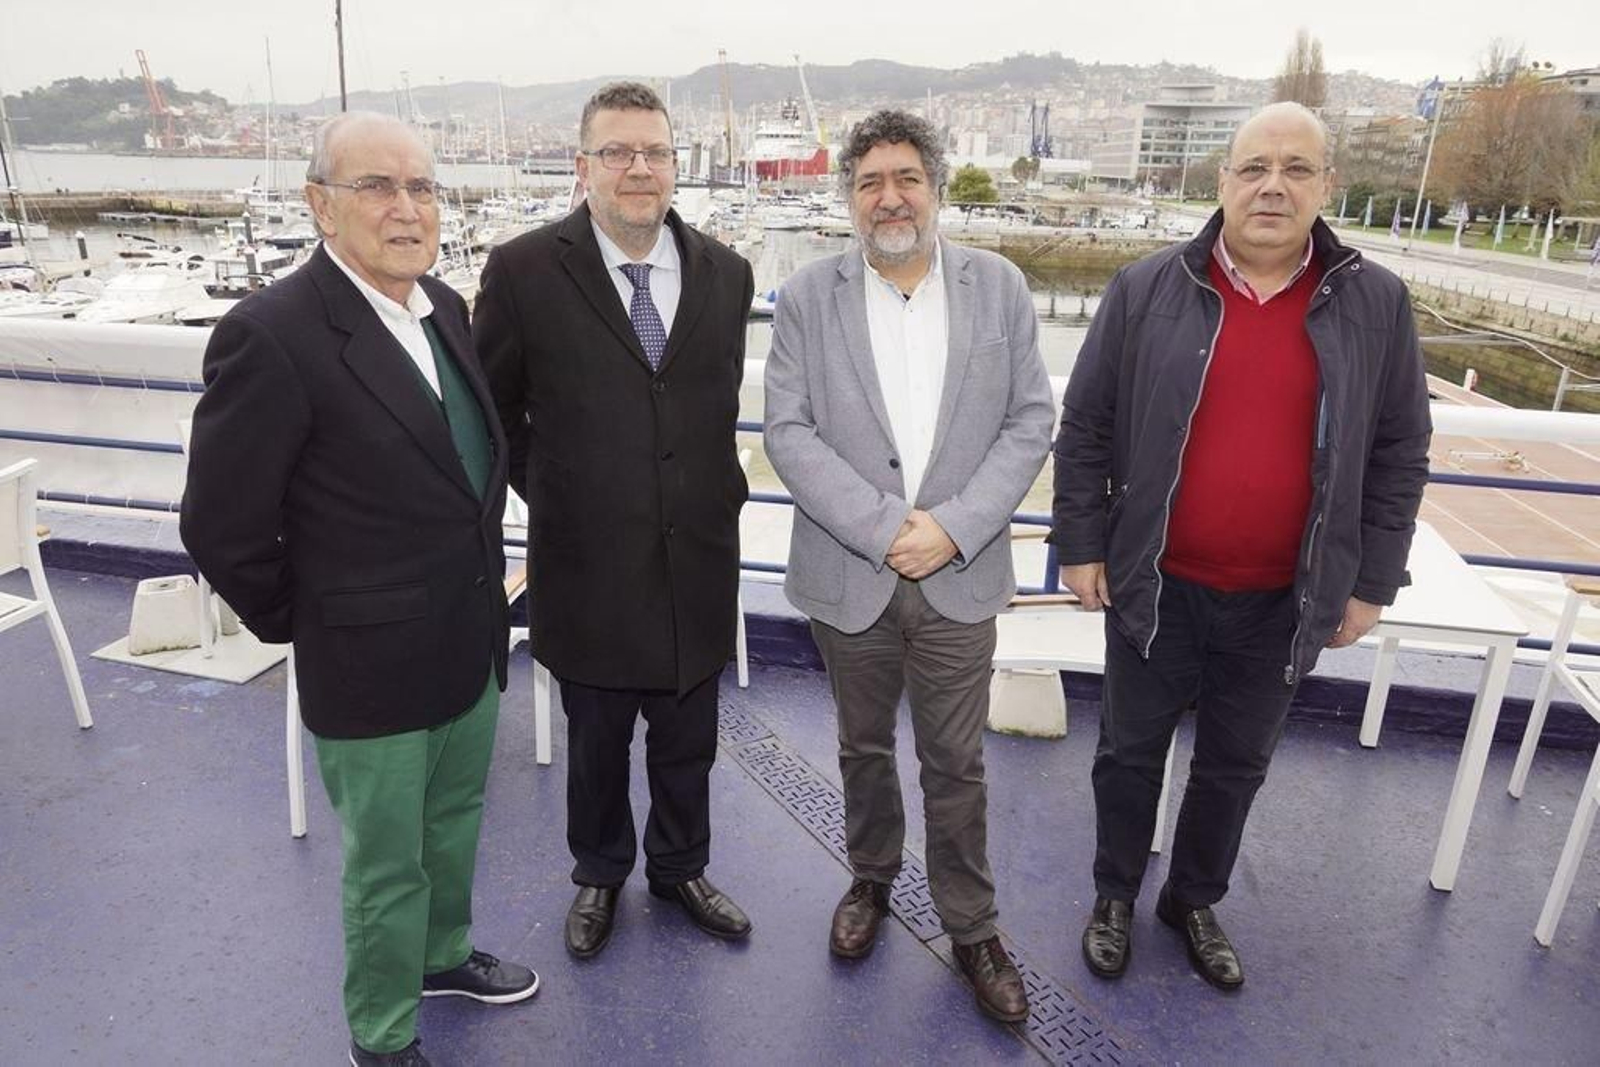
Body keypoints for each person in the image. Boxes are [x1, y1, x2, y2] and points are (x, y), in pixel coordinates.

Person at [180, 112, 537, 1067]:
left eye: (422, 188)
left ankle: (443, 955)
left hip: (467, 636)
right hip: (366, 661)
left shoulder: (444, 309)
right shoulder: (272, 334)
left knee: (455, 822)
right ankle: (381, 1034)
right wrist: (314, 622)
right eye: (378, 186)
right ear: (320, 206)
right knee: (385, 862)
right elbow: (221, 523)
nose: (407, 208)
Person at [1051, 102, 1432, 991]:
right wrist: (1080, 543)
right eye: (1254, 166)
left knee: (1235, 763)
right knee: (1128, 751)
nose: (1273, 185)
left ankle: (1191, 899)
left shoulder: (1374, 303)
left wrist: (1372, 580)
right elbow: (1089, 426)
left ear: (1325, 186)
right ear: (1221, 182)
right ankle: (1114, 893)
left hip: (1285, 598)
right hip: (1158, 581)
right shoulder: (1147, 289)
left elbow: (1399, 449)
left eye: (1296, 168)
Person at [764, 109, 1055, 1022]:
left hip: (959, 576)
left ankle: (973, 926)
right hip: (851, 574)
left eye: (906, 178)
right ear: (849, 198)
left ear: (934, 186)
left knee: (955, 762)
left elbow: (1029, 422)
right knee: (860, 747)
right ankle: (871, 879)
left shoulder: (999, 286)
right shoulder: (809, 296)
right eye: (868, 182)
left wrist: (955, 528)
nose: (889, 197)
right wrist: (890, 527)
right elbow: (789, 431)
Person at [474, 82, 755, 958]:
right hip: (587, 565)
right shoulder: (522, 271)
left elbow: (708, 408)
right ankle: (598, 873)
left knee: (687, 740)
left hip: (697, 560)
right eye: (618, 152)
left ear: (677, 164)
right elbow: (495, 411)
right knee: (595, 744)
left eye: (656, 152)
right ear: (584, 165)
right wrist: (557, 493)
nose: (640, 168)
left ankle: (680, 867)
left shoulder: (726, 272)